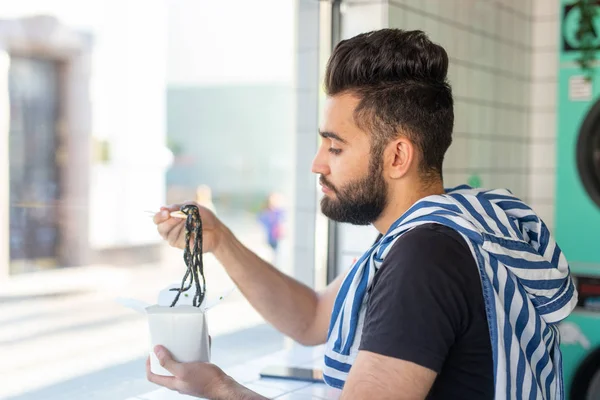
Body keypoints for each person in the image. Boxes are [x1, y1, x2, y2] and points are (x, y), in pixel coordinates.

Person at [151, 29, 577, 399]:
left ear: (396, 157)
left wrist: (219, 389)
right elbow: (313, 318)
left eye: (335, 147)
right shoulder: (454, 226)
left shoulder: (426, 257)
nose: (318, 163)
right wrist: (222, 239)